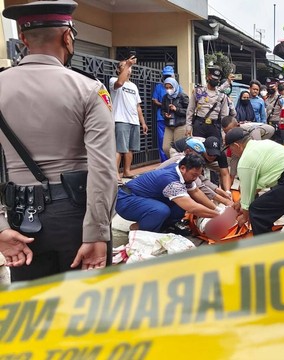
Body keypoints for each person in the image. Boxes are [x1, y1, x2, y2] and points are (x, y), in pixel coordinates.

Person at [0, 0, 117, 280]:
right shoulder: (88, 89)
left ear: (24, 39)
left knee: (36, 313)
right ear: (67, 36)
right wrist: (97, 233)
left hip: (19, 219)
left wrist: (1, 229)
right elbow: (103, 170)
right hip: (76, 216)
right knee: (89, 313)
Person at [116, 154, 221, 232]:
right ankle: (140, 229)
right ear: (183, 168)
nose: (195, 179)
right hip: (126, 200)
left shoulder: (181, 172)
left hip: (141, 198)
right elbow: (192, 208)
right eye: (194, 175)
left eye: (197, 176)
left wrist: (217, 210)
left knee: (182, 202)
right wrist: (218, 216)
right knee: (161, 210)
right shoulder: (170, 180)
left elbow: (196, 192)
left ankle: (162, 226)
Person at [161, 136, 233, 204]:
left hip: (200, 158)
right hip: (177, 150)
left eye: (215, 155)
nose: (212, 157)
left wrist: (226, 191)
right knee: (188, 182)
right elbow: (199, 185)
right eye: (210, 154)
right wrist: (220, 204)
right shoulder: (190, 155)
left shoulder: (217, 153)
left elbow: (224, 174)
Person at [111, 57, 148, 183]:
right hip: (121, 119)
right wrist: (127, 64)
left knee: (130, 149)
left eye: (129, 66)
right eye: (123, 65)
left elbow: (137, 106)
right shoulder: (114, 81)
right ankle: (115, 173)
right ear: (118, 69)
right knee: (119, 149)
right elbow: (119, 83)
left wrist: (142, 122)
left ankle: (127, 171)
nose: (127, 67)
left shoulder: (133, 86)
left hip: (133, 121)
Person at [186, 65, 235, 140]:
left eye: (216, 79)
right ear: (208, 77)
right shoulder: (198, 92)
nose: (214, 80)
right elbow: (190, 110)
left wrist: (223, 134)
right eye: (213, 78)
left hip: (214, 127)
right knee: (198, 149)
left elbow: (223, 117)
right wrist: (188, 127)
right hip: (199, 125)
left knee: (214, 150)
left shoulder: (222, 96)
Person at [161, 77, 189, 159]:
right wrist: (165, 114)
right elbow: (162, 110)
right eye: (166, 88)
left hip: (180, 125)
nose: (168, 89)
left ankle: (179, 165)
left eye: (170, 87)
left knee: (178, 149)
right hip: (169, 125)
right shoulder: (165, 98)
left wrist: (176, 109)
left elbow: (188, 111)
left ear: (175, 86)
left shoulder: (183, 96)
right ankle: (173, 161)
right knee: (166, 148)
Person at [153, 65, 175, 161]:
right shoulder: (159, 87)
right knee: (162, 140)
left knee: (174, 140)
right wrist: (163, 105)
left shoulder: (177, 87)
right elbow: (154, 100)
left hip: (174, 117)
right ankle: (164, 161)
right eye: (165, 76)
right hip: (161, 117)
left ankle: (173, 160)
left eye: (169, 76)